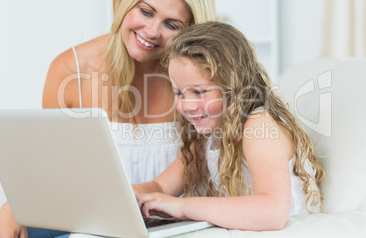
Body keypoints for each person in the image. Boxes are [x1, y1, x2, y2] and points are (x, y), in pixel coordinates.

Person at [0, 0, 215, 237]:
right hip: (91, 222)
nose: (152, 31)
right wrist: (12, 207)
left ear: (190, 31)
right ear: (125, 2)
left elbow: (201, 157)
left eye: (172, 25)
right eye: (146, 12)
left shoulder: (201, 79)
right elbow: (55, 165)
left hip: (178, 224)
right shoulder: (71, 69)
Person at [133, 21, 325, 231]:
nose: (186, 105)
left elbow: (273, 212)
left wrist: (183, 207)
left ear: (233, 87)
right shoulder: (211, 132)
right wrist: (130, 194)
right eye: (179, 92)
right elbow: (160, 186)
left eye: (199, 92)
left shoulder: (258, 126)